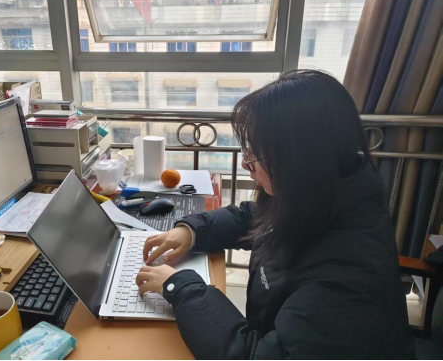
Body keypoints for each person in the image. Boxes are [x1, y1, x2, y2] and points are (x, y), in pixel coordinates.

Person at [136, 70, 415, 360]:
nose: (246, 164)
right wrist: (192, 230)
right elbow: (252, 217)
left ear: (299, 160)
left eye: (255, 154)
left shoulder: (344, 283)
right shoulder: (327, 192)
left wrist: (181, 287)